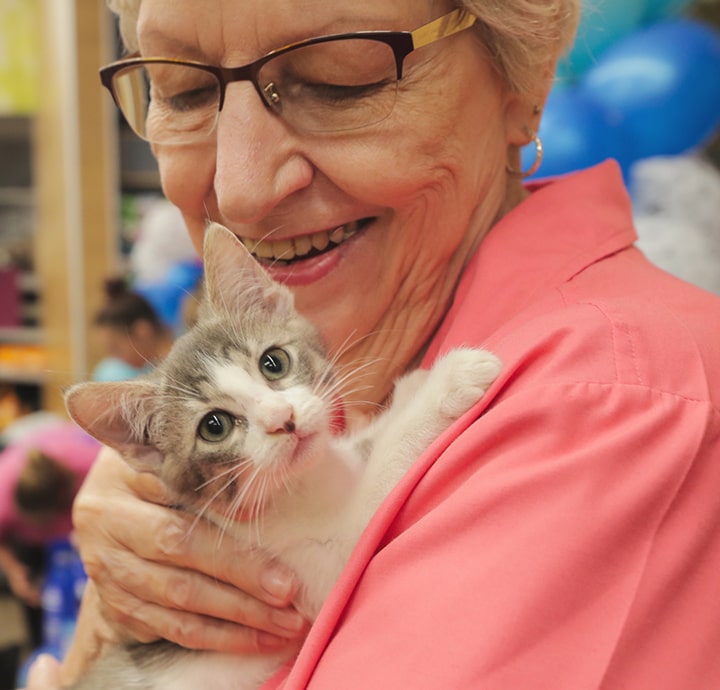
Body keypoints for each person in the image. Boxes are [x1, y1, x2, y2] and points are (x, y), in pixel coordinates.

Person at [27, 1, 720, 688]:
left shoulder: (613, 402)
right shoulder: (375, 363)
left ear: (524, 83)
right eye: (181, 88)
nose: (240, 190)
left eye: (340, 77)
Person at [0, 423, 100, 685]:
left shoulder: (89, 461)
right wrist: (13, 571)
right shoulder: (2, 499)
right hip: (38, 548)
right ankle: (43, 648)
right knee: (37, 598)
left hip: (86, 529)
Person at [91, 277, 173, 382]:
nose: (114, 359)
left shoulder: (178, 365)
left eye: (116, 348)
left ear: (142, 331)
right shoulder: (149, 367)